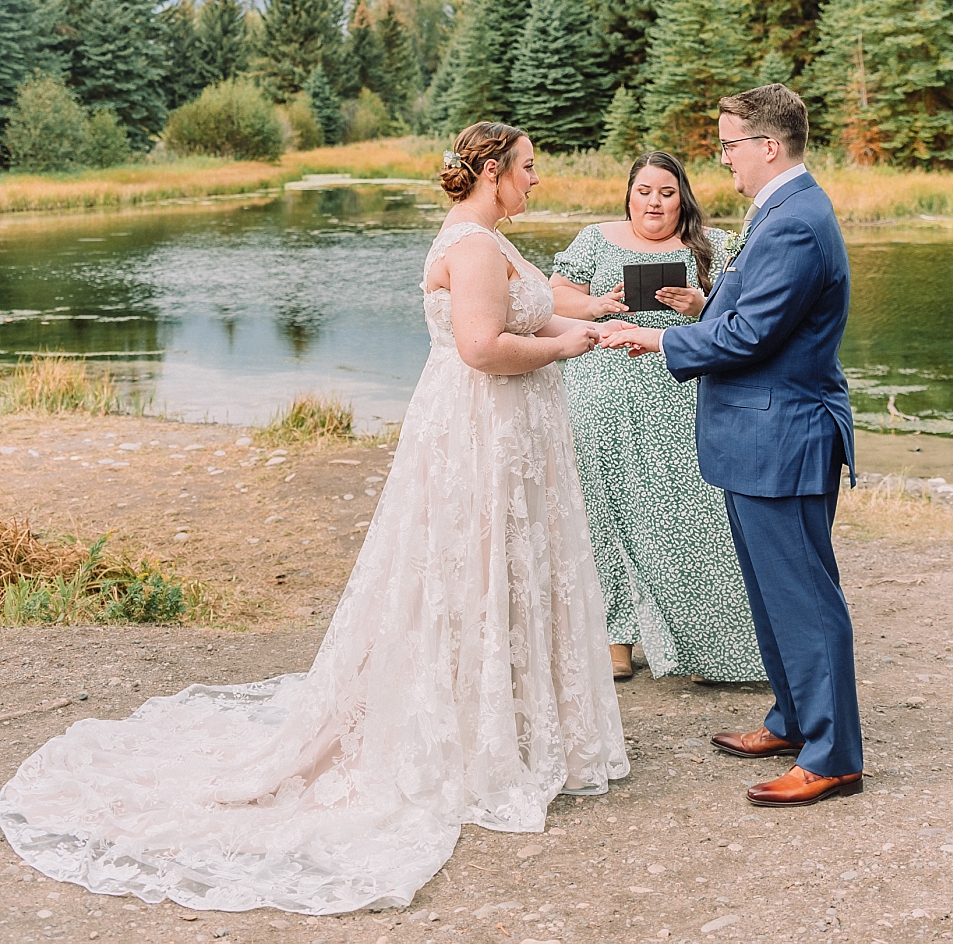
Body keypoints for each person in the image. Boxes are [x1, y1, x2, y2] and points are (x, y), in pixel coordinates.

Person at [0, 123, 628, 913]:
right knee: (469, 572)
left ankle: (501, 726)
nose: (539, 180)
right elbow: (482, 347)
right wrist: (570, 351)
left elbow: (531, 322)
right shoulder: (472, 246)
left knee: (490, 573)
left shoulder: (487, 238)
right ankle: (469, 742)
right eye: (530, 168)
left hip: (501, 431)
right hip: (483, 433)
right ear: (494, 171)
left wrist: (596, 330)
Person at [602, 85, 862, 807]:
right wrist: (702, 305)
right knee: (771, 595)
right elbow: (749, 310)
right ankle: (793, 721)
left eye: (729, 146)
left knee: (805, 599)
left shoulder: (796, 222)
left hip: (783, 434)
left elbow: (752, 337)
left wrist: (657, 338)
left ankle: (834, 754)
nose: (723, 160)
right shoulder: (783, 210)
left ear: (767, 147)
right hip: (757, 435)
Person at [551, 152, 763, 686]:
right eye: (645, 190)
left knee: (688, 518)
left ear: (682, 196)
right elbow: (553, 299)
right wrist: (601, 304)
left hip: (680, 398)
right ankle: (614, 639)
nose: (655, 202)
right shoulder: (594, 239)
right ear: (629, 193)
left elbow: (744, 315)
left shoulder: (712, 245)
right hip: (599, 395)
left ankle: (704, 643)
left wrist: (698, 304)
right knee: (603, 516)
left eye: (667, 192)